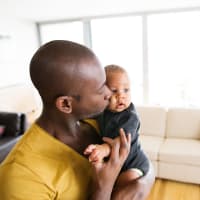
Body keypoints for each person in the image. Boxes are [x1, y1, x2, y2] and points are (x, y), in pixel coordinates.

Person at [0, 40, 155, 200]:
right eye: (100, 88)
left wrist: (143, 182)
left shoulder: (97, 122)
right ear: (66, 103)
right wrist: (103, 188)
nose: (109, 93)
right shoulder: (20, 178)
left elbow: (139, 156)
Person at [84, 64, 149, 185]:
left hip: (133, 163)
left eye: (126, 90)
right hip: (114, 163)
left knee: (129, 178)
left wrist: (104, 149)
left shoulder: (130, 117)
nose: (121, 96)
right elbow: (88, 114)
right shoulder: (103, 110)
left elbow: (121, 141)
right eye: (114, 91)